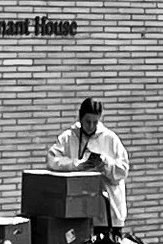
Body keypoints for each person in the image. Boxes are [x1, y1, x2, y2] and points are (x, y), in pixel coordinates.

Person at [47, 94, 130, 231]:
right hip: (79, 213)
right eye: (87, 121)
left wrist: (105, 164)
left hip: (107, 214)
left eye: (95, 122)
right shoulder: (68, 137)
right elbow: (52, 161)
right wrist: (76, 165)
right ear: (80, 118)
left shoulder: (110, 139)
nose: (91, 126)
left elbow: (123, 170)